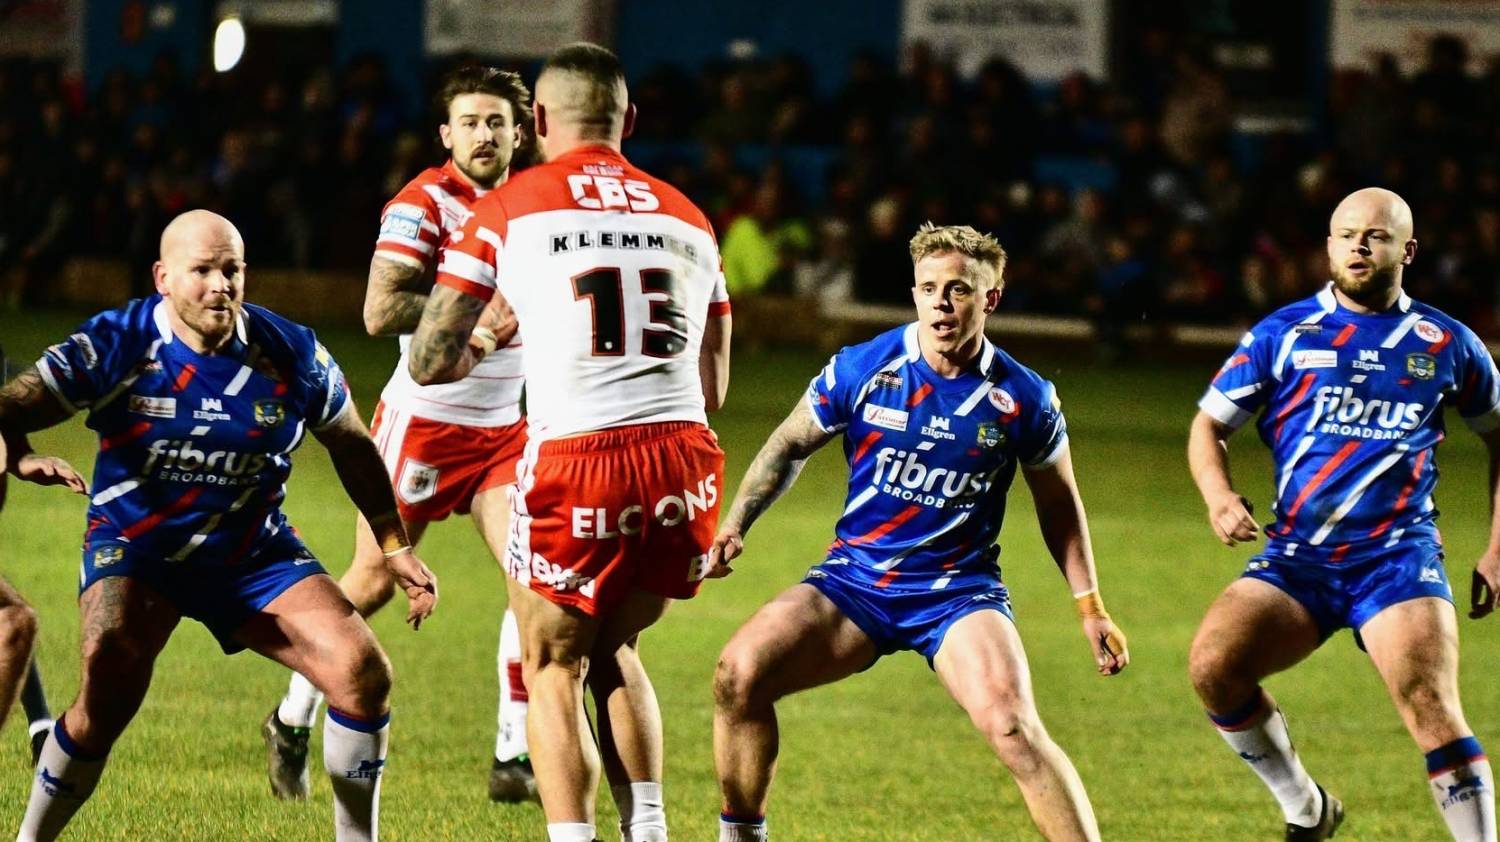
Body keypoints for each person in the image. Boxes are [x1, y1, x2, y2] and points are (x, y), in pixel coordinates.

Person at [1, 210, 436, 842]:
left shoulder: (291, 351)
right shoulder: (116, 343)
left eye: (231, 270)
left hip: (253, 554)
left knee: (362, 673)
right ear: (163, 277)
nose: (219, 285)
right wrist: (17, 454)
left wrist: (394, 546)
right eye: (202, 270)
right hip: (138, 550)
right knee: (105, 684)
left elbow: (352, 444)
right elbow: (10, 406)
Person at [706, 222, 1127, 842]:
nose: (941, 303)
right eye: (929, 288)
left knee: (1013, 727)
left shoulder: (1024, 397)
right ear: (914, 293)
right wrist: (736, 522)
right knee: (737, 676)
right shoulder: (864, 367)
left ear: (990, 298)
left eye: (959, 289)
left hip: (957, 594)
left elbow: (1060, 506)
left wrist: (1090, 607)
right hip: (855, 583)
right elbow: (789, 444)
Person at [409, 42, 732, 842]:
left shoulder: (508, 207)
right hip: (685, 463)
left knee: (553, 664)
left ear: (540, 120)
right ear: (629, 119)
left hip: (580, 462)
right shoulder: (690, 216)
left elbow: (430, 359)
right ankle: (647, 830)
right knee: (618, 645)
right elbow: (715, 384)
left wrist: (488, 338)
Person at [262, 63, 538, 804]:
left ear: (521, 133)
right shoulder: (423, 204)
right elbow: (379, 310)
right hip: (423, 426)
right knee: (372, 581)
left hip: (505, 431)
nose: (484, 134)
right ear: (446, 134)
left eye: (497, 122)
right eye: (470, 122)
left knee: (533, 578)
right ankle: (291, 717)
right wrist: (471, 308)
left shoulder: (534, 205)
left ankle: (513, 755)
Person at [1188, 187, 1499, 842]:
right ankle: (1306, 807)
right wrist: (1219, 496)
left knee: (1431, 706)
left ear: (1407, 251)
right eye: (1346, 234)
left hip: (1397, 559)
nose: (1359, 245)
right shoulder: (1283, 334)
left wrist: (1498, 547)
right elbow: (1208, 425)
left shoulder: (1447, 342)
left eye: (1376, 236)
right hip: (1298, 559)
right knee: (1214, 667)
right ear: (1329, 246)